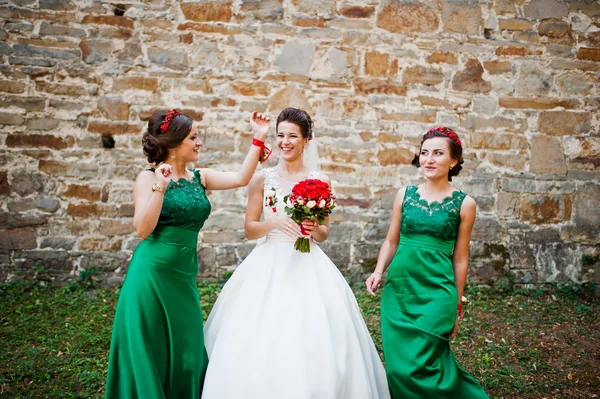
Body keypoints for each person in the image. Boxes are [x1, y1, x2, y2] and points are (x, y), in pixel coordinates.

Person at [201, 108, 390, 399]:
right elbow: (250, 229)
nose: (285, 142)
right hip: (269, 259)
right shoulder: (261, 179)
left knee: (313, 334)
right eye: (280, 135)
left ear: (306, 140)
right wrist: (273, 222)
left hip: (308, 261)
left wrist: (313, 228)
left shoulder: (321, 180)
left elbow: (324, 234)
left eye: (292, 136)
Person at [104, 109, 271, 399]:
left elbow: (241, 178)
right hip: (151, 274)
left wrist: (258, 137)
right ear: (174, 142)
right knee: (152, 347)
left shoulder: (199, 177)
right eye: (193, 137)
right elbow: (143, 230)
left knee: (188, 348)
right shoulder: (147, 178)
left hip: (183, 275)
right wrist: (161, 187)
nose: (199, 142)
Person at [365, 126, 489, 398]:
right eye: (424, 153)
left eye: (437, 153)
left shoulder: (465, 204)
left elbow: (460, 259)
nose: (429, 159)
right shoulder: (404, 195)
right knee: (398, 369)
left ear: (453, 161)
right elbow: (391, 241)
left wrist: (456, 304)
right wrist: (377, 271)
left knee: (428, 364)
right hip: (400, 291)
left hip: (438, 294)